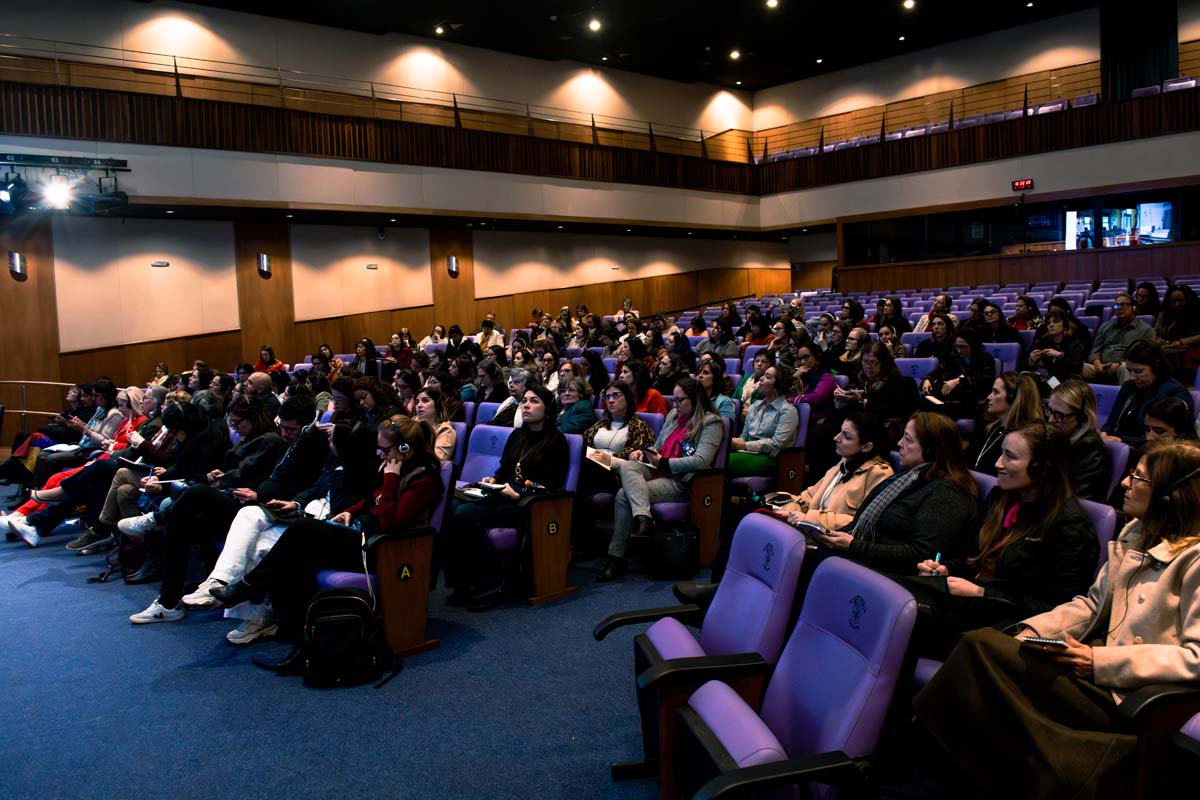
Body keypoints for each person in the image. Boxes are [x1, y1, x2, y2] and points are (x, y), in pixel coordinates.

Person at [914, 438, 1200, 800]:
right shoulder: (1135, 535)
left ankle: (924, 756)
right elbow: (1091, 605)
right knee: (986, 648)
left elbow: (1196, 658)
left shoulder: (1194, 559)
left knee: (978, 645)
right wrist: (1032, 630)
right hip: (1093, 666)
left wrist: (1099, 660)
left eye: (1139, 478)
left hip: (1127, 693)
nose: (1125, 483)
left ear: (1170, 496)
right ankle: (952, 769)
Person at [211, 415, 442, 655]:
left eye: (384, 449)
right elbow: (371, 501)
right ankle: (292, 626)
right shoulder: (395, 466)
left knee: (303, 530)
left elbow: (389, 522)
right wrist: (349, 512)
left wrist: (391, 478)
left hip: (386, 551)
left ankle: (249, 587)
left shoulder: (422, 480)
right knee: (298, 550)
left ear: (405, 449)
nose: (379, 454)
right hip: (365, 538)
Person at [908, 422, 1099, 659]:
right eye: (1001, 453)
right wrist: (945, 569)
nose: (998, 463)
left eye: (1010, 456)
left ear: (1041, 468)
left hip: (1002, 623)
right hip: (965, 604)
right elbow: (972, 560)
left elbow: (1060, 610)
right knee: (895, 597)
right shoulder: (1002, 497)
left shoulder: (1070, 525)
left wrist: (982, 593)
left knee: (903, 615)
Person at [128, 396, 288, 623]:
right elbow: (233, 471)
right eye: (231, 422)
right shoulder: (249, 438)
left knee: (196, 493)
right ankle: (168, 603)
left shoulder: (270, 440)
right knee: (177, 526)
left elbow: (245, 474)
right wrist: (218, 475)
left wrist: (222, 478)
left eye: (237, 422)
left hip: (250, 507)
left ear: (253, 418)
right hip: (232, 498)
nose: (234, 428)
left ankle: (156, 519)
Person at [444, 385, 569, 608]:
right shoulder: (517, 435)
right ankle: (462, 583)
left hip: (529, 504)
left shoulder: (556, 441)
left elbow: (553, 486)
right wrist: (493, 479)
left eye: (534, 401)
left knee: (464, 514)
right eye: (524, 401)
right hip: (503, 495)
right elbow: (504, 469)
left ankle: (487, 583)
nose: (526, 405)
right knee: (451, 506)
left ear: (547, 408)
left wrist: (519, 492)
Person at [813, 411, 977, 574]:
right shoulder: (908, 477)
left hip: (886, 575)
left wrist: (854, 546)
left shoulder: (946, 493)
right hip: (864, 559)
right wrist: (835, 536)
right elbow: (859, 524)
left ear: (930, 450)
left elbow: (921, 555)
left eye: (908, 439)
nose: (899, 443)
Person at [599, 377, 724, 582]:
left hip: (683, 481)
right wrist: (644, 453)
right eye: (673, 400)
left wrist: (664, 462)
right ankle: (644, 518)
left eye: (679, 400)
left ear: (695, 400)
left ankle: (616, 557)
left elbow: (701, 461)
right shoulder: (674, 416)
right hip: (660, 469)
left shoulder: (711, 422)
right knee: (628, 465)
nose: (674, 405)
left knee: (623, 494)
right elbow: (657, 446)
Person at [779, 411, 893, 530]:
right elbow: (810, 495)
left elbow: (861, 522)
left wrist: (809, 518)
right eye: (840, 431)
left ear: (866, 447)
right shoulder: (844, 462)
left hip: (832, 538)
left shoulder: (880, 474)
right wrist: (795, 506)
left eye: (846, 436)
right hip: (812, 530)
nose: (836, 438)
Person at [1101, 340, 1194, 449]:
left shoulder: (1174, 392)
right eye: (1129, 371)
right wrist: (1104, 435)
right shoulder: (1129, 386)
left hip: (1148, 450)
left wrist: (1123, 441)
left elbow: (1166, 436)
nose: (1132, 377)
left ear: (1156, 366)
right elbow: (1111, 423)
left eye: (1138, 371)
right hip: (1116, 446)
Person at [580, 381, 657, 496]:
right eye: (607, 397)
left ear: (627, 398)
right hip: (592, 469)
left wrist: (607, 460)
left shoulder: (639, 426)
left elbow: (639, 462)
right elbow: (582, 445)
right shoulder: (600, 424)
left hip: (617, 475)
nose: (611, 400)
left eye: (616, 395)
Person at [1046, 379, 1113, 502]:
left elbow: (1074, 500)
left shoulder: (1091, 451)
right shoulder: (1058, 438)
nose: (1051, 420)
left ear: (1082, 417)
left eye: (1059, 415)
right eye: (1050, 411)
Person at [965, 372, 1044, 475]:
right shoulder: (990, 428)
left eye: (995, 392)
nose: (989, 397)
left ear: (1012, 398)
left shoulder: (1021, 441)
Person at [727, 365, 799, 478]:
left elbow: (777, 444)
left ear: (777, 386)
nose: (761, 378)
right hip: (747, 452)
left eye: (767, 377)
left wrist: (743, 445)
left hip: (769, 459)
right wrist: (727, 441)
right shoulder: (754, 407)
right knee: (717, 456)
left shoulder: (788, 411)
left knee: (723, 463)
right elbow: (744, 437)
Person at [919, 328, 996, 421]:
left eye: (963, 347)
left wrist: (959, 381)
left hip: (969, 397)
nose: (959, 350)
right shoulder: (953, 356)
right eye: (957, 346)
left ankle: (941, 410)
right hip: (948, 396)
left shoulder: (985, 359)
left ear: (973, 345)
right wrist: (927, 379)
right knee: (923, 399)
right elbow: (938, 372)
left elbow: (985, 382)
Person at [1083, 292, 1154, 384]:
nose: (1119, 308)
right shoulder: (1105, 326)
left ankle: (1125, 393)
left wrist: (1119, 364)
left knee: (1125, 368)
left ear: (1134, 308)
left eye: (1123, 305)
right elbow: (1095, 351)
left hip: (1126, 367)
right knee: (1078, 366)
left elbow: (1144, 357)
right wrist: (1097, 364)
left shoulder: (1146, 330)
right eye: (1116, 306)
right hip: (1102, 367)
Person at [1027, 309, 1086, 382]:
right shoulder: (1041, 342)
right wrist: (1032, 360)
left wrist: (1060, 356)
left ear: (1064, 325)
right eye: (1048, 323)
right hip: (1043, 379)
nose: (1051, 325)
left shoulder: (1074, 343)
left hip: (1065, 381)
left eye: (1055, 322)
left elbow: (1076, 369)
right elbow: (1025, 364)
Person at [790, 341, 835, 419]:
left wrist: (791, 400)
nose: (802, 362)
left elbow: (816, 398)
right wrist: (795, 377)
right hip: (795, 415)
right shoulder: (801, 375)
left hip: (817, 419)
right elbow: (783, 392)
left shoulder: (826, 376)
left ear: (816, 357)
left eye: (806, 357)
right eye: (800, 358)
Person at [413, 386, 457, 461]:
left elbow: (436, 461)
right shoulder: (413, 422)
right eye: (417, 402)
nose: (419, 405)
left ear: (437, 405)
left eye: (425, 400)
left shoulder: (445, 430)